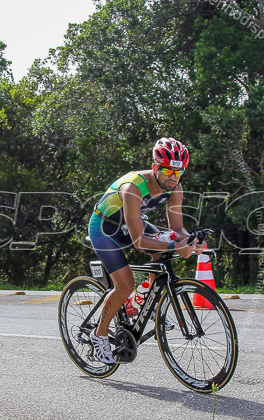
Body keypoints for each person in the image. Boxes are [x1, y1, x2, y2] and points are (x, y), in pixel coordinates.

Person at [86, 137, 205, 364]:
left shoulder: (175, 188)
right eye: (168, 171)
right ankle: (98, 334)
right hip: (104, 228)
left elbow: (177, 229)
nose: (173, 177)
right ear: (155, 168)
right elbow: (139, 241)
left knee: (161, 252)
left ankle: (144, 301)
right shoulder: (133, 187)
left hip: (130, 223)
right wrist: (175, 245)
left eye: (178, 172)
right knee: (125, 285)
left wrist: (191, 241)